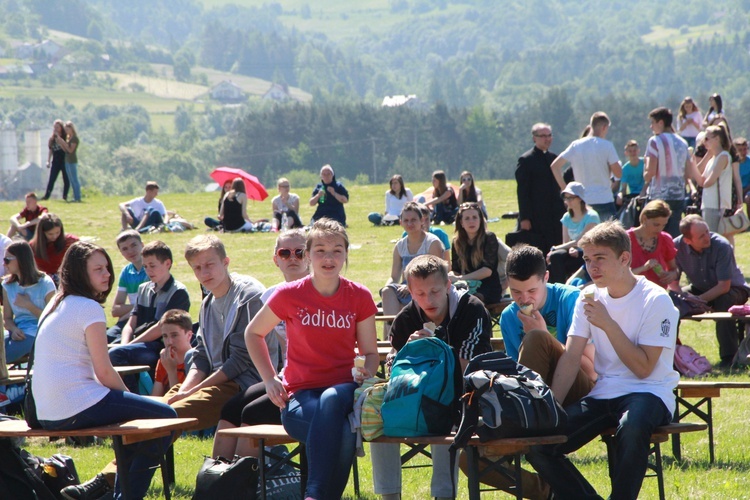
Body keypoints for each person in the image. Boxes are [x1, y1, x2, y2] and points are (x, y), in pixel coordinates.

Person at [66, 234, 279, 498]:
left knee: (162, 417)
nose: (204, 272)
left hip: (243, 385)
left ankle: (106, 482)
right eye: (197, 268)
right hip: (214, 381)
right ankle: (112, 481)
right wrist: (186, 387)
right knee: (153, 412)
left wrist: (191, 390)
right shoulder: (209, 300)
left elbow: (240, 361)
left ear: (225, 262)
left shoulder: (247, 295)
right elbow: (200, 355)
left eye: (209, 264)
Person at [526, 221, 679, 500]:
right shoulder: (588, 297)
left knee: (631, 426)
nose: (591, 267)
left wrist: (608, 324)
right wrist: (553, 409)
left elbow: (644, 369)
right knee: (540, 444)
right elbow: (571, 358)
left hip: (650, 392)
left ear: (624, 258)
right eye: (586, 259)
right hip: (604, 392)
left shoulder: (656, 300)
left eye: (599, 258)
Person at [245, 218, 378, 500]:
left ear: (346, 254)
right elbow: (253, 333)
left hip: (345, 390)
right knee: (342, 432)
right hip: (299, 396)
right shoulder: (289, 294)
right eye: (320, 250)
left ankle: (313, 495)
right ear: (307, 256)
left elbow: (370, 354)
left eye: (336, 250)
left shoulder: (360, 296)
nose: (328, 258)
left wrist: (365, 370)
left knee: (331, 398)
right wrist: (269, 379)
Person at [33, 241, 177, 500]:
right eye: (98, 269)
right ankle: (125, 497)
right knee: (167, 418)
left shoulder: (56, 302)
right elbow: (104, 371)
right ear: (79, 273)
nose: (107, 274)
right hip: (76, 405)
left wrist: (130, 404)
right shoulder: (88, 308)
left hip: (47, 411)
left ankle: (112, 492)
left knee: (137, 426)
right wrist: (130, 400)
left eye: (107, 268)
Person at [370, 254, 492, 500]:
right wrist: (408, 352)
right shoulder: (406, 318)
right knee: (376, 418)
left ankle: (443, 496)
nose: (429, 300)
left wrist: (433, 350)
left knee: (443, 415)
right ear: (410, 292)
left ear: (448, 284)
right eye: (420, 294)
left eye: (435, 291)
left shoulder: (470, 310)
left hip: (465, 396)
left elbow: (466, 370)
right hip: (413, 397)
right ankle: (389, 496)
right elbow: (394, 371)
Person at [212, 229, 310, 459]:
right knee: (230, 409)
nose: (293, 257)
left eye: (300, 252)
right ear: (276, 260)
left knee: (252, 413)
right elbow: (256, 336)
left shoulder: (317, 290)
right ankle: (216, 479)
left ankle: (244, 483)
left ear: (309, 256)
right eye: (285, 253)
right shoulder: (270, 296)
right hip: (286, 377)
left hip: (310, 382)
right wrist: (271, 379)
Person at [108, 241, 190, 390]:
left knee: (116, 354)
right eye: (145, 266)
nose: (148, 270)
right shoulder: (144, 289)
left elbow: (161, 328)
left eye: (152, 266)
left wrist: (130, 346)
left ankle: (131, 397)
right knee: (107, 350)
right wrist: (125, 343)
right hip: (139, 342)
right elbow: (131, 322)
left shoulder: (178, 292)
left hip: (160, 344)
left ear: (167, 263)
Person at [674, 215, 750, 366]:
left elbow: (724, 286)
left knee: (724, 301)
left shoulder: (722, 245)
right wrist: (683, 298)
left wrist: (698, 301)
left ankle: (728, 357)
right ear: (688, 240)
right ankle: (672, 353)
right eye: (701, 236)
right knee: (673, 302)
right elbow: (674, 280)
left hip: (734, 289)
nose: (707, 237)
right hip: (701, 288)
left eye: (707, 232)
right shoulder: (676, 246)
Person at [550, 112, 622, 221]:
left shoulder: (576, 145)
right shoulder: (607, 146)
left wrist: (566, 191)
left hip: (582, 200)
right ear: (604, 127)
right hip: (604, 199)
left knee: (585, 237)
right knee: (610, 237)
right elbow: (618, 173)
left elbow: (555, 166)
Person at [382, 202, 444, 325]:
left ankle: (397, 331)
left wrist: (412, 287)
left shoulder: (432, 243)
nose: (410, 224)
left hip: (428, 287)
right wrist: (387, 287)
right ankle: (393, 333)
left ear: (422, 220)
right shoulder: (400, 246)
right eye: (406, 220)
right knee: (387, 292)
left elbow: (437, 275)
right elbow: (394, 276)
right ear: (401, 222)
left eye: (413, 220)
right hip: (406, 288)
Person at [644, 106, 701, 238]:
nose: (651, 127)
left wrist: (645, 173)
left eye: (652, 123)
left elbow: (650, 172)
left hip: (659, 195)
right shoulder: (683, 142)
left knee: (655, 235)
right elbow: (688, 174)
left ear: (661, 123)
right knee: (673, 235)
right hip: (678, 195)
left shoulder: (654, 141)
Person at [3, 241, 56, 364]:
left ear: (21, 260)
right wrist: (14, 329)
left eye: (7, 259)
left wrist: (28, 305)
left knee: (3, 358)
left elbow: (53, 320)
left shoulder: (45, 284)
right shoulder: (7, 285)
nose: (4, 264)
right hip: (17, 332)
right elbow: (7, 319)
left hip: (37, 333)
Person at [516, 123, 565, 252]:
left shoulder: (554, 159)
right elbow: (523, 192)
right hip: (536, 216)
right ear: (534, 138)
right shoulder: (526, 160)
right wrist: (525, 218)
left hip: (555, 215)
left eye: (549, 135)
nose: (547, 139)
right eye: (543, 136)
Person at [546, 182, 600, 284]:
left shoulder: (592, 216)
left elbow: (581, 241)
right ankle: (560, 286)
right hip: (574, 250)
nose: (567, 201)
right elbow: (566, 242)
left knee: (556, 252)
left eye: (571, 198)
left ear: (580, 198)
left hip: (588, 251)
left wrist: (555, 248)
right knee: (555, 256)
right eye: (566, 198)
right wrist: (570, 248)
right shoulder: (566, 217)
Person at [449, 201, 502, 304]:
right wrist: (451, 276)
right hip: (467, 285)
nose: (471, 221)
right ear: (461, 223)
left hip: (488, 287)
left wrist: (460, 278)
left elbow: (487, 271)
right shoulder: (457, 242)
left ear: (480, 220)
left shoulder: (489, 238)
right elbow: (456, 270)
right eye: (467, 218)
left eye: (474, 217)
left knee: (471, 300)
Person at [106, 230, 147, 344]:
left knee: (117, 345)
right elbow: (115, 310)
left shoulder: (151, 269)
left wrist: (129, 310)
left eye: (134, 245)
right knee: (103, 339)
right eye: (125, 249)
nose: (130, 251)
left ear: (142, 245)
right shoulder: (126, 272)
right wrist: (136, 308)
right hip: (127, 320)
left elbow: (149, 308)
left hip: (143, 322)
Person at [627, 200, 679, 288]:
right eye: (656, 224)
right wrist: (643, 268)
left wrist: (671, 275)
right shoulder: (626, 239)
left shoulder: (665, 239)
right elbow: (617, 274)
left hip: (657, 295)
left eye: (664, 225)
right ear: (644, 219)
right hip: (630, 293)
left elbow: (674, 269)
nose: (660, 229)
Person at [695, 124, 733, 236]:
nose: (704, 142)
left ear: (717, 139)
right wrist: (708, 154)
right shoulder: (713, 158)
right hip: (708, 203)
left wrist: (699, 179)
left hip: (717, 205)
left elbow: (707, 182)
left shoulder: (723, 157)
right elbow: (698, 173)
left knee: (714, 238)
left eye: (707, 139)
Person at [150, 309, 194, 397]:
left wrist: (171, 371)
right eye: (165, 336)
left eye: (174, 335)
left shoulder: (196, 361)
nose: (169, 342)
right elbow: (156, 396)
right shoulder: (165, 360)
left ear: (189, 335)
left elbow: (180, 400)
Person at [30, 213, 79, 285]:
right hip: (44, 282)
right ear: (42, 233)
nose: (54, 236)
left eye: (57, 232)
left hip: (66, 279)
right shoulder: (33, 247)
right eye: (50, 234)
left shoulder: (69, 241)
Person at [41, 119, 69, 201]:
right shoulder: (52, 139)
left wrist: (60, 140)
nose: (56, 129)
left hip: (64, 160)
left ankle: (65, 196)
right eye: (55, 127)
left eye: (58, 127)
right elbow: (50, 150)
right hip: (56, 161)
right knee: (52, 179)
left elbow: (66, 149)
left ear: (61, 128)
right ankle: (46, 196)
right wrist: (48, 161)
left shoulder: (64, 137)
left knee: (66, 179)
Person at [55, 121, 81, 202]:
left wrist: (63, 142)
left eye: (67, 129)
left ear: (71, 129)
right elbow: (66, 150)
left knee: (74, 179)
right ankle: (75, 197)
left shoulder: (74, 139)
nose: (66, 131)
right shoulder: (69, 138)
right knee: (71, 179)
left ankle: (77, 197)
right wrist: (61, 143)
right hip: (67, 160)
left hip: (72, 161)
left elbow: (70, 150)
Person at [617, 140, 644, 207]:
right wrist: (620, 195)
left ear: (638, 151)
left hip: (645, 193)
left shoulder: (645, 163)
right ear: (626, 153)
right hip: (633, 195)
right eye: (630, 151)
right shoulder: (625, 169)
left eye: (634, 150)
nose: (633, 153)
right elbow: (623, 188)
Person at [736, 137, 750, 218]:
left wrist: (744, 190)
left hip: (747, 189)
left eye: (745, 149)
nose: (743, 152)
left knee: (749, 198)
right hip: (735, 190)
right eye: (740, 150)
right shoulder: (734, 163)